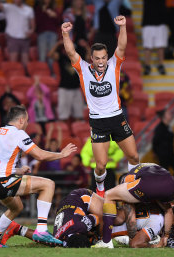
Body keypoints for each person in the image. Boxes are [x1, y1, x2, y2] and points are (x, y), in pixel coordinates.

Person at [62, 15, 139, 197]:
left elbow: (121, 46)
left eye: (104, 57)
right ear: (92, 58)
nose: (102, 62)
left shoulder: (114, 65)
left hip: (117, 117)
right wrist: (66, 34)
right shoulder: (83, 69)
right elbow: (71, 53)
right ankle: (100, 188)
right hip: (98, 122)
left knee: (134, 157)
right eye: (97, 58)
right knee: (101, 165)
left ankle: (133, 187)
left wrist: (123, 26)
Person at [0, 105, 77, 247]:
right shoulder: (18, 133)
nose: (27, 124)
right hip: (3, 180)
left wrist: (18, 170)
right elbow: (39, 155)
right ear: (20, 120)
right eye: (27, 120)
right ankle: (42, 229)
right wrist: (61, 154)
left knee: (16, 207)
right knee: (48, 184)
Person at [93, 163, 174, 249]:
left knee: (109, 195)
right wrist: (165, 236)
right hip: (169, 184)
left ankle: (106, 241)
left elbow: (130, 213)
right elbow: (168, 210)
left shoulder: (129, 179)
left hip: (147, 189)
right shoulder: (163, 208)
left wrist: (132, 237)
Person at [0, 188, 104, 248]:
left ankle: (17, 228)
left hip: (76, 199)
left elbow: (96, 218)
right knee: (106, 218)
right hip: (72, 204)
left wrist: (94, 235)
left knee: (107, 216)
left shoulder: (80, 227)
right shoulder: (59, 240)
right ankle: (17, 229)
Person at [48, 40, 85, 122]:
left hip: (76, 89)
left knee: (78, 115)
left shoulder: (78, 59)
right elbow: (50, 55)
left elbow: (90, 57)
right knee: (63, 116)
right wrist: (57, 44)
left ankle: (78, 132)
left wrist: (86, 46)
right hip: (64, 89)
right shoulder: (61, 57)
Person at [0, 0, 35, 66]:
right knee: (13, 61)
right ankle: (13, 75)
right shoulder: (8, 7)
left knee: (26, 62)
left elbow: (33, 25)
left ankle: (25, 75)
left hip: (25, 38)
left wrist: (31, 31)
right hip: (12, 37)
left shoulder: (29, 9)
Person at [152, 109, 174, 186]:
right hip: (163, 155)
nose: (170, 114)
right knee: (164, 174)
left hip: (171, 153)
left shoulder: (168, 126)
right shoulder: (159, 129)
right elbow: (155, 141)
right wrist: (155, 152)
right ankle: (167, 189)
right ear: (164, 117)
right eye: (168, 113)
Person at [141, 0, 168, 75]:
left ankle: (161, 65)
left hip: (161, 22)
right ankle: (147, 66)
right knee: (147, 46)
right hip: (148, 22)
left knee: (160, 46)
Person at [34, 0, 61, 70]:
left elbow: (59, 22)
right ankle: (42, 72)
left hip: (53, 34)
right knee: (42, 54)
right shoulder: (38, 9)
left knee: (51, 54)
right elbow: (37, 22)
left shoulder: (54, 9)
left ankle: (52, 73)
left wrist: (54, 15)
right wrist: (43, 12)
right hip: (42, 33)